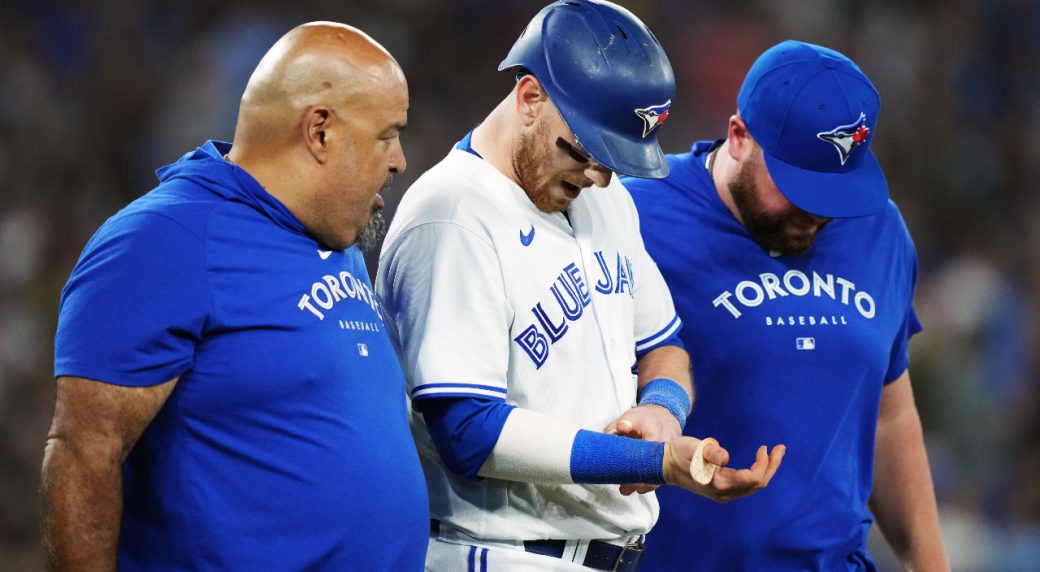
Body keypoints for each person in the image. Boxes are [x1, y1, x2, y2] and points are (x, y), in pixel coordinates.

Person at [375, 2, 784, 571]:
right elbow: (468, 431)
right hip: (499, 551)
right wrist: (653, 463)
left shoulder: (603, 199)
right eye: (588, 151)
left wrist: (662, 411)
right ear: (530, 97)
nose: (599, 176)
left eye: (614, 161)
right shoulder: (452, 216)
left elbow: (662, 345)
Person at [42, 22, 429, 571]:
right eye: (387, 134)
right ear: (319, 131)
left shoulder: (334, 231)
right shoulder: (165, 241)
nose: (399, 161)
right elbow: (83, 458)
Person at [621, 40, 950, 571]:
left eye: (836, 191)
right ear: (738, 137)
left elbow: (890, 414)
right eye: (801, 187)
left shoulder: (878, 230)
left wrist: (932, 566)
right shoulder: (633, 217)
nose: (820, 213)